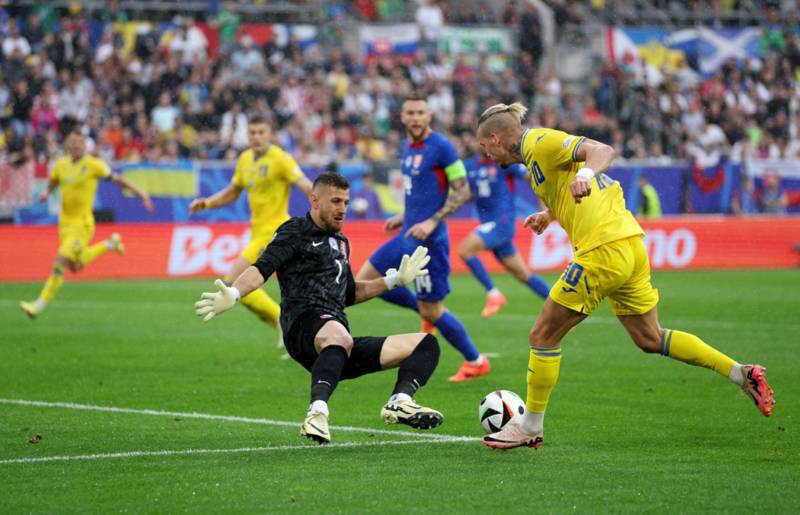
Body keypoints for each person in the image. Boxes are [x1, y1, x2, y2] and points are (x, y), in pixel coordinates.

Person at [475, 102, 775, 450]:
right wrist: (548, 214)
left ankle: (529, 426)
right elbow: (570, 192)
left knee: (543, 335)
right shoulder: (535, 162)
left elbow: (602, 150)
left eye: (485, 148)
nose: (487, 156)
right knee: (650, 338)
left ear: (496, 139)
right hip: (629, 246)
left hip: (602, 250)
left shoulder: (540, 141)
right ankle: (742, 373)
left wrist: (586, 174)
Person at [194, 172, 443, 444]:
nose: (342, 209)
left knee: (426, 343)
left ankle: (400, 401)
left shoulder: (341, 242)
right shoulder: (294, 231)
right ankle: (317, 414)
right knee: (338, 337)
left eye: (346, 202)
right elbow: (261, 269)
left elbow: (349, 293)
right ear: (314, 200)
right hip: (302, 326)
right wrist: (234, 292)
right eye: (336, 201)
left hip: (335, 341)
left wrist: (394, 280)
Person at [356, 96, 491, 382]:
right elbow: (421, 193)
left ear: (429, 115)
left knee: (433, 310)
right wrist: (405, 215)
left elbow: (463, 190)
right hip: (407, 234)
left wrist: (432, 221)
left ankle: (476, 361)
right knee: (363, 283)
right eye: (410, 113)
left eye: (420, 112)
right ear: (402, 117)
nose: (416, 117)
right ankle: (421, 310)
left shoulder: (441, 147)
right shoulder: (408, 147)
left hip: (430, 243)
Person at [189, 115, 312, 346]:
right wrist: (206, 203)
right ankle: (285, 331)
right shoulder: (245, 159)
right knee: (240, 290)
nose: (256, 137)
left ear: (270, 134)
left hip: (276, 232)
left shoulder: (281, 159)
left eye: (261, 132)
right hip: (257, 232)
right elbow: (233, 191)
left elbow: (305, 184)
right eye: (252, 133)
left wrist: (320, 206)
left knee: (234, 282)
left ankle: (283, 323)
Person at [20, 128, 154, 318]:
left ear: (85, 145)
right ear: (67, 144)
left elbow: (118, 180)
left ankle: (38, 305)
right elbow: (53, 181)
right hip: (64, 224)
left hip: (82, 225)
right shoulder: (61, 164)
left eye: (79, 142)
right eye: (72, 142)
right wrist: (46, 193)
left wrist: (141, 193)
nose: (75, 145)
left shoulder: (94, 165)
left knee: (61, 260)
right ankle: (110, 244)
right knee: (76, 266)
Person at [460, 154, 551, 317]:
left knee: (465, 250)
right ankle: (560, 307)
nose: (486, 147)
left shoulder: (504, 163)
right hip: (489, 224)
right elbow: (466, 193)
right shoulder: (469, 166)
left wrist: (542, 205)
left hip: (502, 223)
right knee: (523, 275)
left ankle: (494, 295)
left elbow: (533, 177)